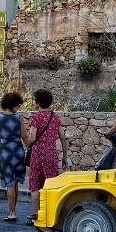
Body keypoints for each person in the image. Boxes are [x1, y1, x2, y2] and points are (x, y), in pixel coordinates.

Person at [27, 89, 68, 222]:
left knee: (35, 183)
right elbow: (62, 137)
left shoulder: (36, 117)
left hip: (37, 154)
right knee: (50, 184)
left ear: (37, 103)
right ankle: (50, 214)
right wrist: (65, 156)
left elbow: (32, 137)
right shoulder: (55, 117)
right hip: (50, 154)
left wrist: (27, 140)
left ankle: (36, 215)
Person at [0, 92, 28, 222]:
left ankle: (12, 212)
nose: (18, 108)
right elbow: (24, 137)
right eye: (17, 105)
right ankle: (14, 209)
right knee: (16, 182)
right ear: (12, 105)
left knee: (9, 183)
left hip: (5, 152)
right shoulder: (19, 117)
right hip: (18, 151)